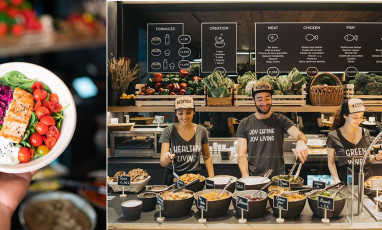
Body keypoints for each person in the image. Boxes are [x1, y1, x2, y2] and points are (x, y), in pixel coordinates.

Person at [236, 82, 309, 178]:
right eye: (260, 99)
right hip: (254, 178)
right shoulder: (245, 123)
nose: (264, 103)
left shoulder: (280, 120)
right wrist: (245, 176)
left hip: (277, 178)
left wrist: (300, 141)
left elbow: (300, 135)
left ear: (271, 98)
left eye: (267, 98)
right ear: (253, 100)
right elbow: (241, 155)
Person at [159, 96, 214, 185]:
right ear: (176, 113)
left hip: (195, 178)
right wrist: (167, 158)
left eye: (188, 112)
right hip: (173, 178)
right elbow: (163, 163)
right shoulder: (168, 131)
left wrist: (212, 178)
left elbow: (207, 157)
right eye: (180, 113)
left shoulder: (202, 130)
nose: (184, 116)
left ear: (194, 112)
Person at [327, 99, 382, 184]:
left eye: (361, 117)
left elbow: (366, 159)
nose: (358, 120)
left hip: (366, 183)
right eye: (355, 117)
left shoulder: (365, 132)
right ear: (345, 116)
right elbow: (331, 162)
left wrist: (377, 157)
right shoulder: (333, 136)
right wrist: (335, 179)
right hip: (347, 183)